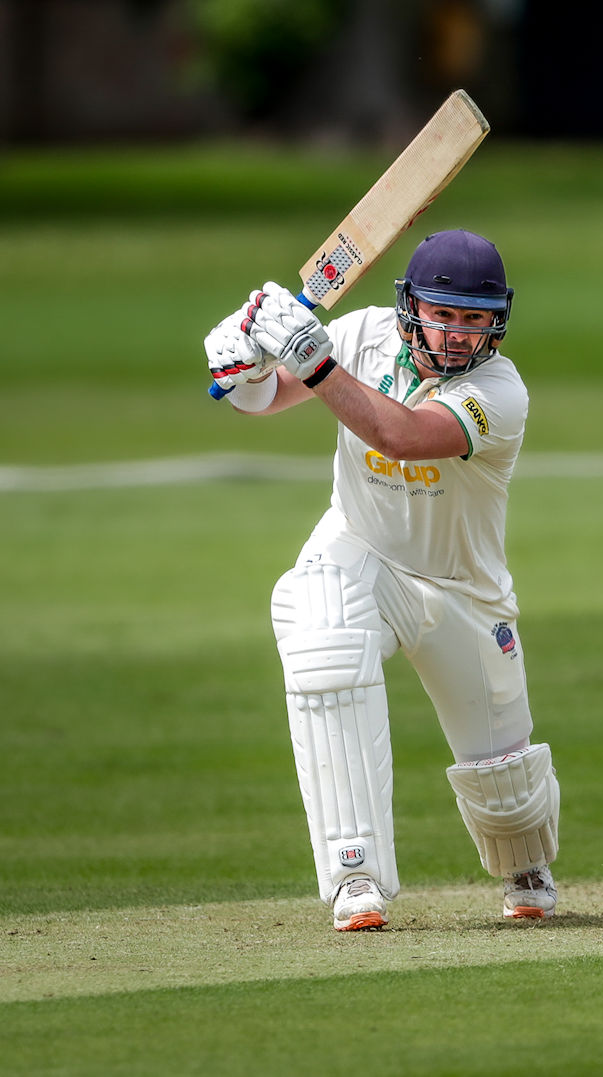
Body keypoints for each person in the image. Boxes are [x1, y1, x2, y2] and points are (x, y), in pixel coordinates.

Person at [203, 229, 559, 930]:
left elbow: (399, 434)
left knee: (508, 796)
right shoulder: (362, 334)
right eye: (442, 313)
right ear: (409, 307)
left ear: (496, 323)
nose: (456, 335)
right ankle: (354, 874)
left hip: (462, 589)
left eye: (472, 319)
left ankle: (524, 858)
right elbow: (272, 394)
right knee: (318, 621)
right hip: (363, 549)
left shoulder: (500, 391)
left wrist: (312, 358)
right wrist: (244, 370)